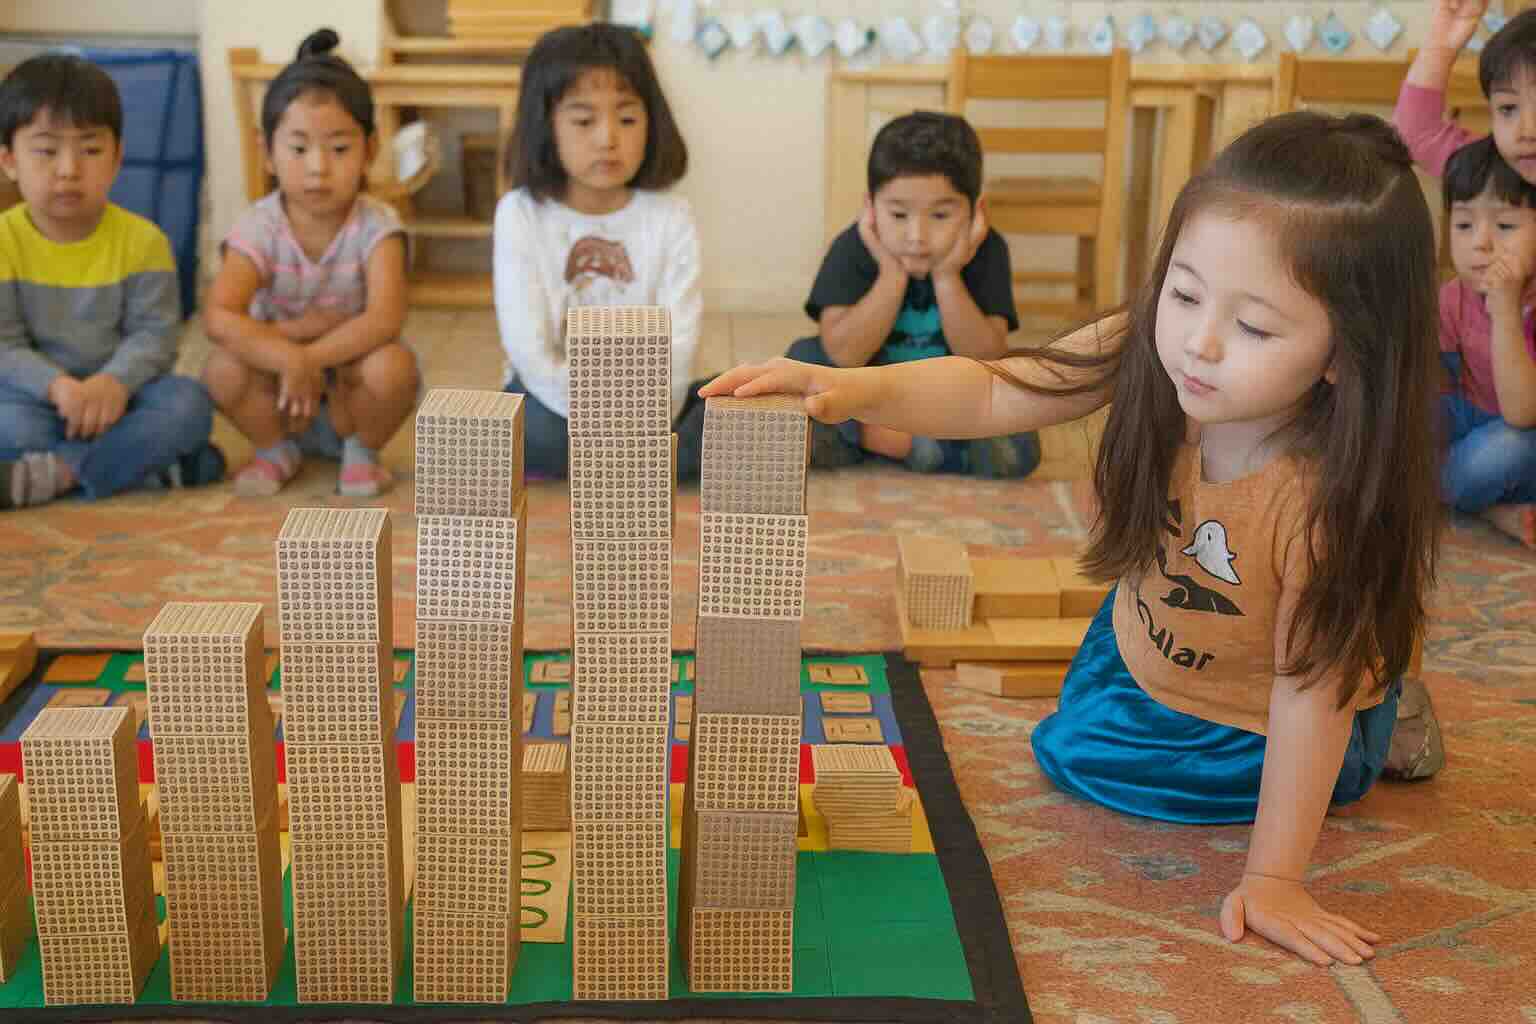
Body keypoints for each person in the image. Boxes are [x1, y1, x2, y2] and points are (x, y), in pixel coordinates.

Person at [704, 112, 1444, 967]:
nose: (1199, 342)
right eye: (1185, 293)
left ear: (1346, 352)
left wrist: (1273, 878)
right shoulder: (1153, 347)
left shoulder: (1321, 508)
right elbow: (997, 391)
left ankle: (1380, 714)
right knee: (1075, 746)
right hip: (1148, 647)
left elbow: (1307, 694)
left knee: (1099, 763)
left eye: (1254, 327)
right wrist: (847, 386)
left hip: (1269, 713)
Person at [203, 28, 419, 498]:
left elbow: (386, 318)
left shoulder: (378, 226)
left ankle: (361, 451)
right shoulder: (258, 226)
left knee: (395, 368)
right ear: (267, 152)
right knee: (222, 368)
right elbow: (218, 316)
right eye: (299, 149)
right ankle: (274, 449)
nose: (318, 167)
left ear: (369, 150)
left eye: (339, 149)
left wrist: (308, 358)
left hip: (350, 386)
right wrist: (285, 355)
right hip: (277, 391)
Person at [0, 53, 222, 508]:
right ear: (8, 160)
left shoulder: (145, 241)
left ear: (118, 158)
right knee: (11, 425)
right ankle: (151, 467)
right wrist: (58, 388)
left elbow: (156, 337)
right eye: (46, 151)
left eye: (90, 149)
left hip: (124, 397)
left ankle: (58, 473)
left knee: (188, 403)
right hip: (37, 399)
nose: (68, 169)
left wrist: (113, 384)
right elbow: (4, 344)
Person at [494, 23, 701, 479]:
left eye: (627, 119)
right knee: (518, 432)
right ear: (545, 126)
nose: (608, 138)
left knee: (723, 412)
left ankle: (631, 458)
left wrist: (647, 420)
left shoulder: (672, 215)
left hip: (648, 404)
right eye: (584, 121)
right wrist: (602, 422)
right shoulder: (519, 213)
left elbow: (680, 341)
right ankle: (642, 462)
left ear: (652, 121)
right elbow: (530, 351)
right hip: (554, 402)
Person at [791, 110, 1038, 477]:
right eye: (898, 215)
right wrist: (891, 275)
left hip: (945, 402)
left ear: (976, 212)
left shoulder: (987, 250)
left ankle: (877, 442)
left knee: (1020, 429)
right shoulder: (853, 246)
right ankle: (924, 448)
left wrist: (947, 276)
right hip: (865, 396)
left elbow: (986, 358)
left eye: (940, 216)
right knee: (803, 358)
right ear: (870, 208)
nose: (917, 237)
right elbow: (843, 354)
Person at [1435, 138, 1536, 515]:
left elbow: (1522, 414)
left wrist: (1506, 312)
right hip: (1470, 412)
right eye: (1464, 224)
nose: (1480, 243)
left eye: (1505, 225)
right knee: (1396, 423)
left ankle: (1433, 487)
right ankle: (1489, 505)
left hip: (1523, 432)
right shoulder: (1453, 296)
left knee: (1499, 454)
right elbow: (1438, 382)